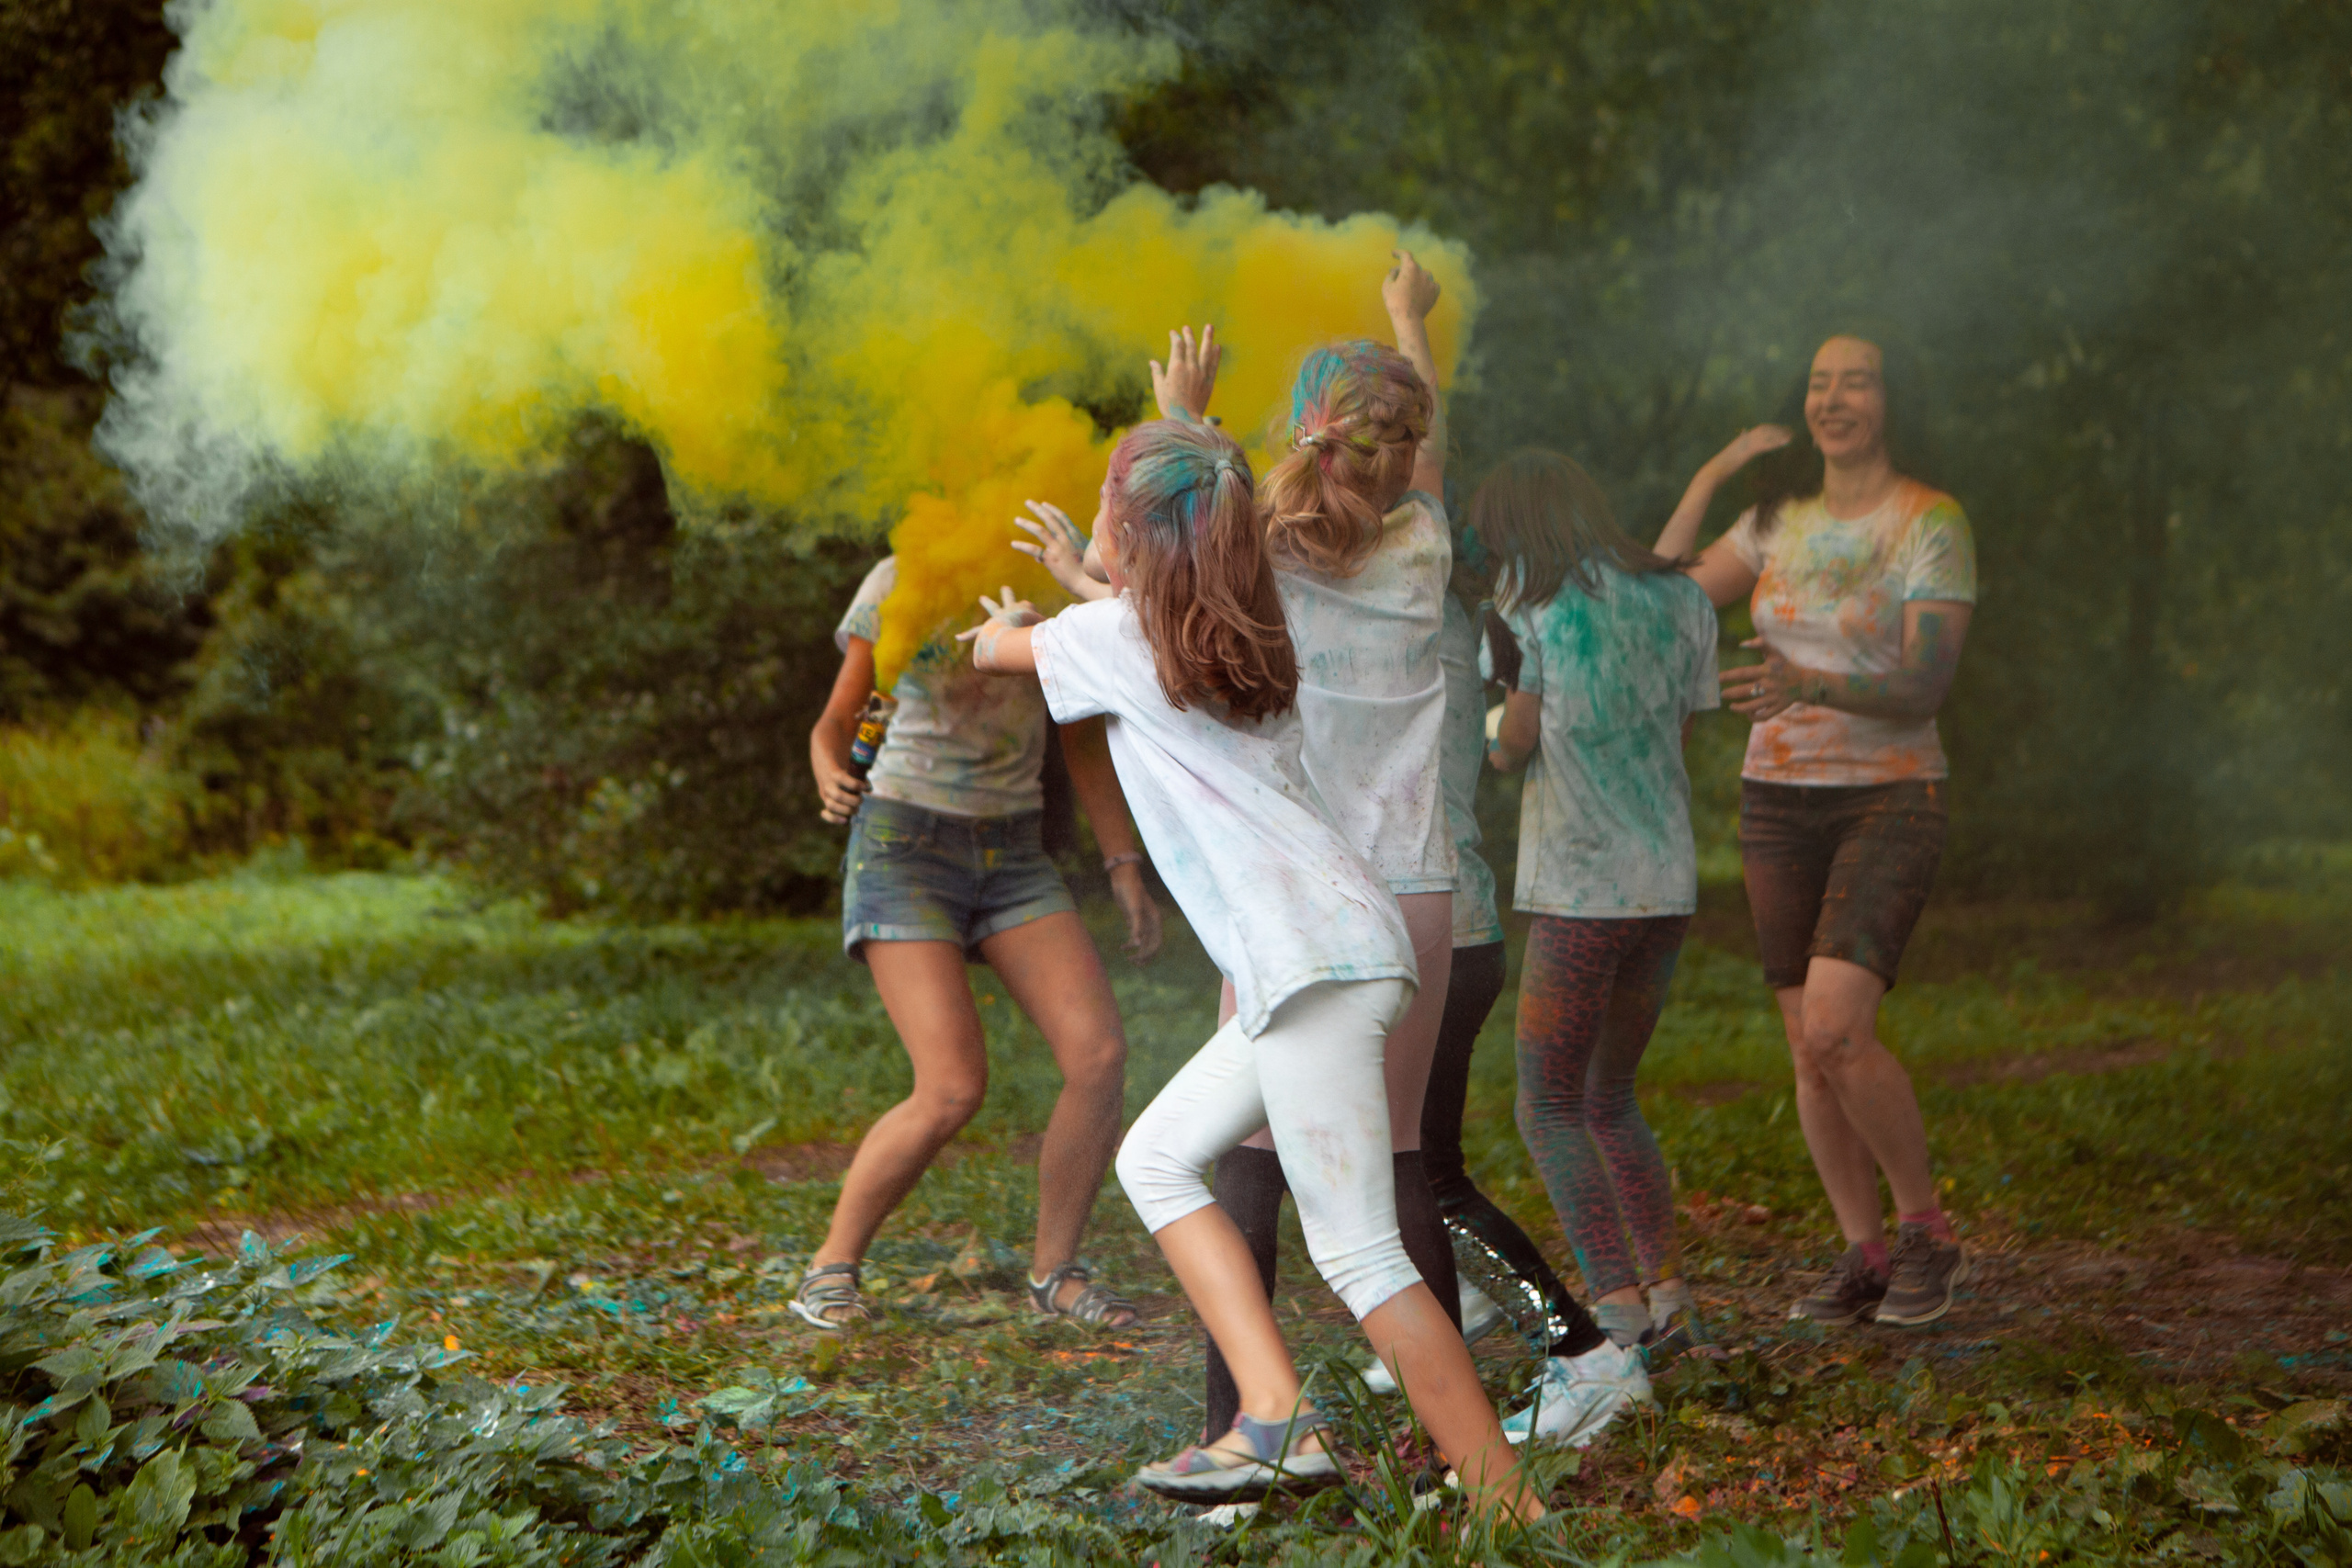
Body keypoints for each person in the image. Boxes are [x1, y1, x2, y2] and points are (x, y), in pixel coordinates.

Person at [968, 413, 1542, 1523]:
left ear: (1128, 530)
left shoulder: (1117, 643)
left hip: (1310, 967)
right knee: (1158, 1160)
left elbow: (1002, 653)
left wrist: (1004, 623)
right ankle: (1274, 1411)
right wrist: (1092, 583)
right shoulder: (1246, 635)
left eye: (1106, 505)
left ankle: (1513, 1510)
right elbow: (1138, 627)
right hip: (1329, 953)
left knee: (1363, 1255)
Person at [1023, 263, 1471, 1462]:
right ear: (1397, 455)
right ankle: (1442, 1455)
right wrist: (1407, 330)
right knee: (1401, 1161)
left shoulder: (1273, 553)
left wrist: (1184, 426)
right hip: (1418, 896)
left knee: (1248, 1168)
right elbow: (1391, 449)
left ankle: (1245, 1426)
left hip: (1301, 891)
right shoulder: (1423, 535)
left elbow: (1180, 563)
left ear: (1307, 440)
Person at [1666, 333, 1977, 1327]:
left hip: (1888, 795)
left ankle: (1927, 1232)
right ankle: (1865, 1254)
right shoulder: (1772, 520)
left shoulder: (1929, 521)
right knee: (1806, 1048)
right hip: (1775, 801)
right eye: (1819, 382)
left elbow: (1926, 681)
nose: (1834, 398)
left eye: (1857, 380)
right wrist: (1715, 473)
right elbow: (1663, 599)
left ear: (1892, 398)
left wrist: (1807, 682)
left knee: (1840, 1028)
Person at [798, 551, 1164, 1332]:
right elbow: (835, 719)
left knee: (1098, 1057)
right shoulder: (899, 577)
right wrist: (830, 768)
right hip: (904, 845)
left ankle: (1055, 1274)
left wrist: (1124, 866)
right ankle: (830, 1268)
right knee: (952, 1086)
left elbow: (1084, 739)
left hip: (1013, 851)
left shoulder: (1057, 581)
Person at [1476, 450, 1723, 1399]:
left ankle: (1611, 1310)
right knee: (1610, 1094)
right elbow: (1679, 733)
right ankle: (1668, 1297)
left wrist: (1489, 725)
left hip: (1580, 890)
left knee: (1545, 1103)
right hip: (1664, 886)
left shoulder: (1528, 602)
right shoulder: (1680, 599)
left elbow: (1514, 748)